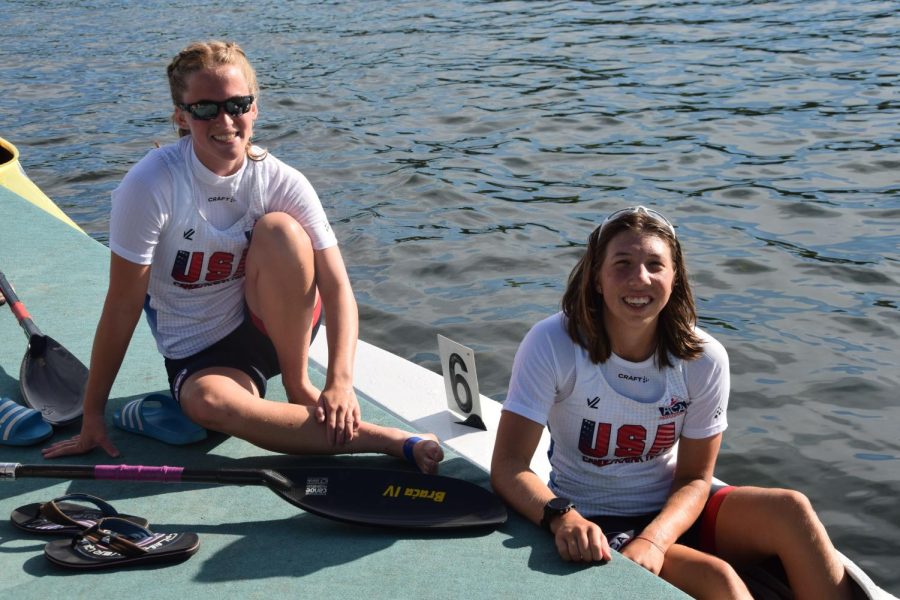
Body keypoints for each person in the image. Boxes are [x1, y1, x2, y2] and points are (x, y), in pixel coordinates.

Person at [43, 40, 443, 474]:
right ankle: (394, 443)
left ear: (255, 108)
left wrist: (339, 382)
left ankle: (297, 384)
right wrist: (93, 415)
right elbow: (122, 305)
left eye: (238, 104)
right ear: (181, 115)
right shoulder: (150, 186)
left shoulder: (281, 179)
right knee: (210, 406)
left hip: (274, 326)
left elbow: (337, 287)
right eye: (205, 109)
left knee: (281, 231)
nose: (225, 120)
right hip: (199, 349)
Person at [490, 206, 851, 599]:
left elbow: (696, 478)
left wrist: (657, 539)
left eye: (654, 265)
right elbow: (509, 465)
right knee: (721, 580)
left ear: (674, 276)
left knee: (791, 511)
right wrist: (562, 517)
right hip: (593, 519)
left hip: (674, 513)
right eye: (622, 263)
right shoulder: (553, 343)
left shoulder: (705, 358)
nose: (639, 279)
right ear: (596, 276)